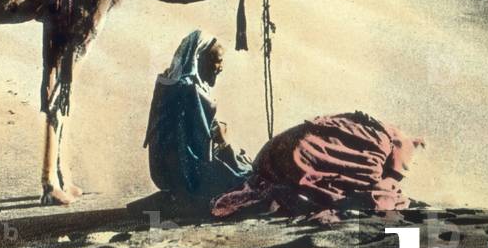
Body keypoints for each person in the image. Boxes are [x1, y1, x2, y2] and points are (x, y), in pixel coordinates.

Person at [210, 111, 424, 223]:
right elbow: (381, 191)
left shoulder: (365, 130)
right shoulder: (385, 146)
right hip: (293, 160)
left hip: (269, 158)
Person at [143, 30, 251, 199]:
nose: (221, 68)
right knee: (246, 177)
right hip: (185, 176)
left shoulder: (170, 82)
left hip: (167, 171)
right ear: (198, 59)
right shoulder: (189, 89)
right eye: (218, 61)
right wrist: (224, 142)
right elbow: (203, 147)